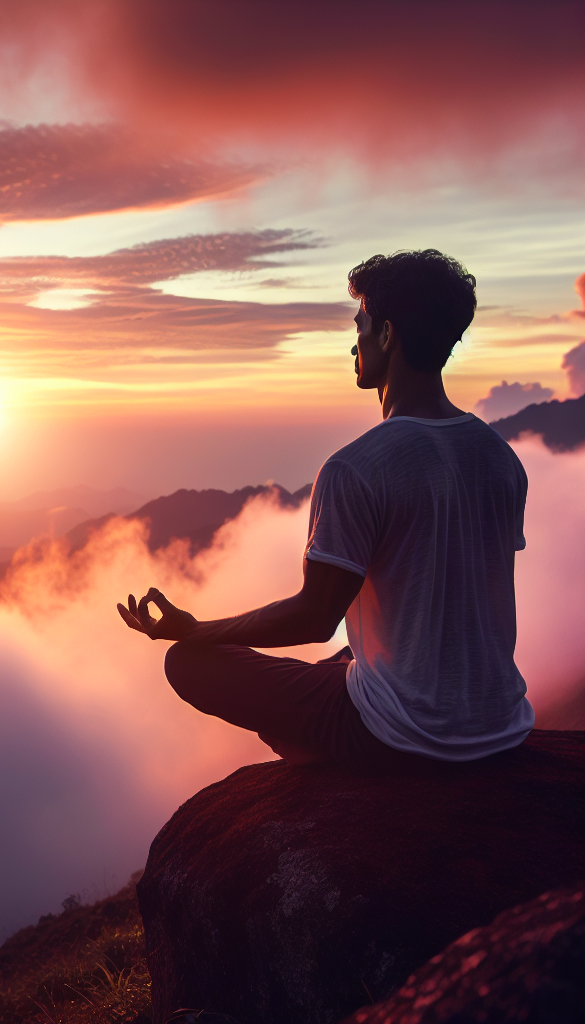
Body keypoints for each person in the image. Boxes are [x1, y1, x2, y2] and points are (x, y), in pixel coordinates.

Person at [117, 249, 534, 767]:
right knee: (347, 657)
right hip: (499, 723)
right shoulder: (501, 458)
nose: (352, 342)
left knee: (188, 663)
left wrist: (196, 630)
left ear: (386, 335)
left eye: (361, 325)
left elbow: (315, 618)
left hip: (400, 736)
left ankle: (318, 754)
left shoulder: (356, 468)